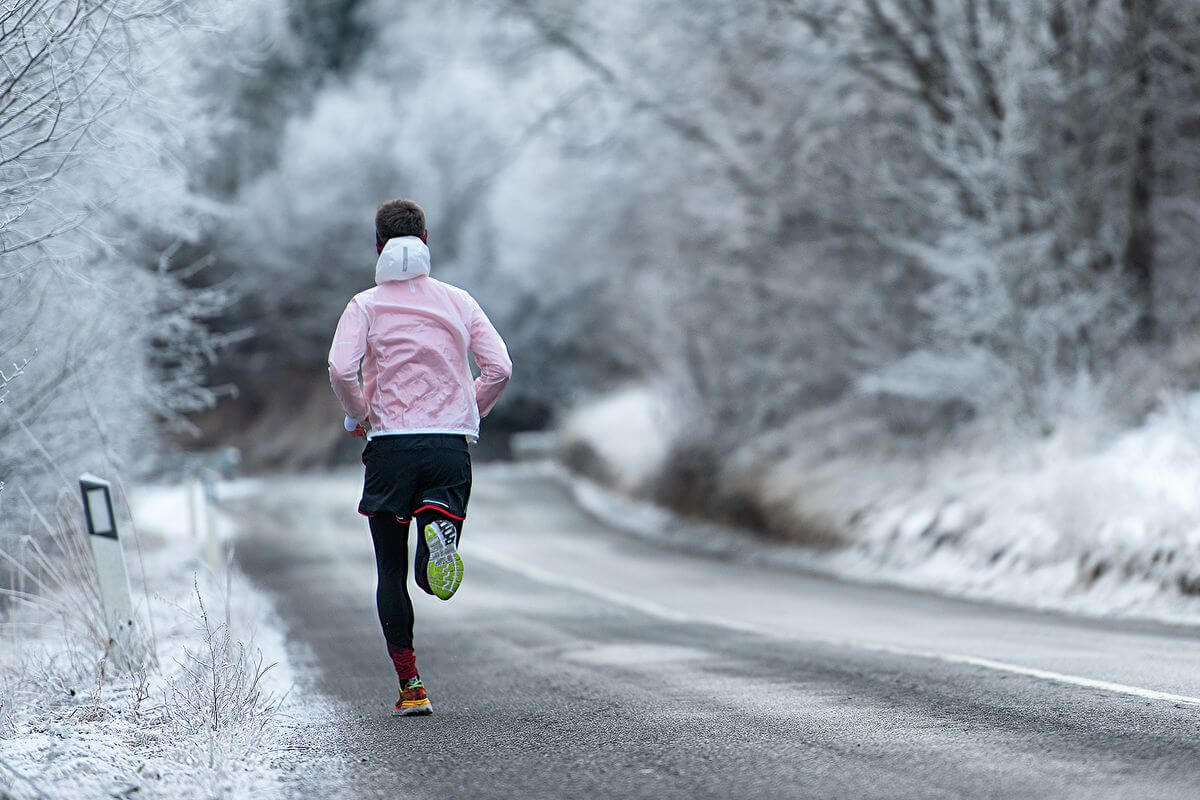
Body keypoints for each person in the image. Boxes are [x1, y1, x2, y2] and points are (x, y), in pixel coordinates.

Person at [327, 199, 512, 716]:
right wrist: (464, 411)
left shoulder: (363, 306)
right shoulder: (459, 302)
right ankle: (436, 537)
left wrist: (360, 414)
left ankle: (412, 686)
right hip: (446, 445)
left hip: (389, 448)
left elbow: (342, 371)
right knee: (430, 570)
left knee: (390, 569)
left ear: (379, 247)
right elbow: (499, 367)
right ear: (426, 242)